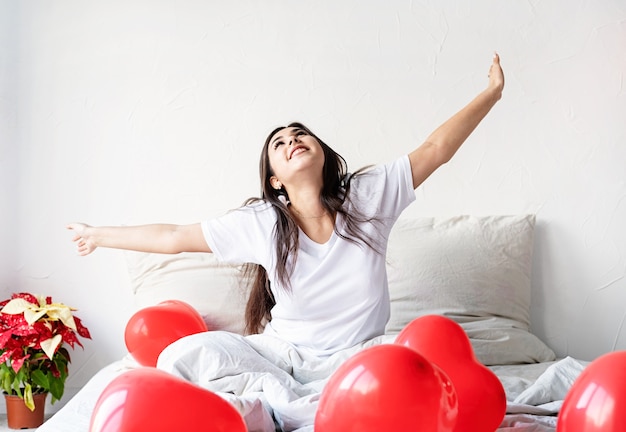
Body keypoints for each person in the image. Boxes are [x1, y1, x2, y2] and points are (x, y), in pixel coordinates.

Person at [68, 53, 504, 432]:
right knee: (183, 354)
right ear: (276, 180)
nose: (293, 140)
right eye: (280, 143)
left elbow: (436, 148)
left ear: (322, 152)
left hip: (359, 357)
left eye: (300, 134)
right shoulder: (262, 223)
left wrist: (491, 94)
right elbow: (175, 237)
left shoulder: (368, 197)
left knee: (422, 359)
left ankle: (280, 413)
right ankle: (276, 411)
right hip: (282, 357)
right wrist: (99, 235)